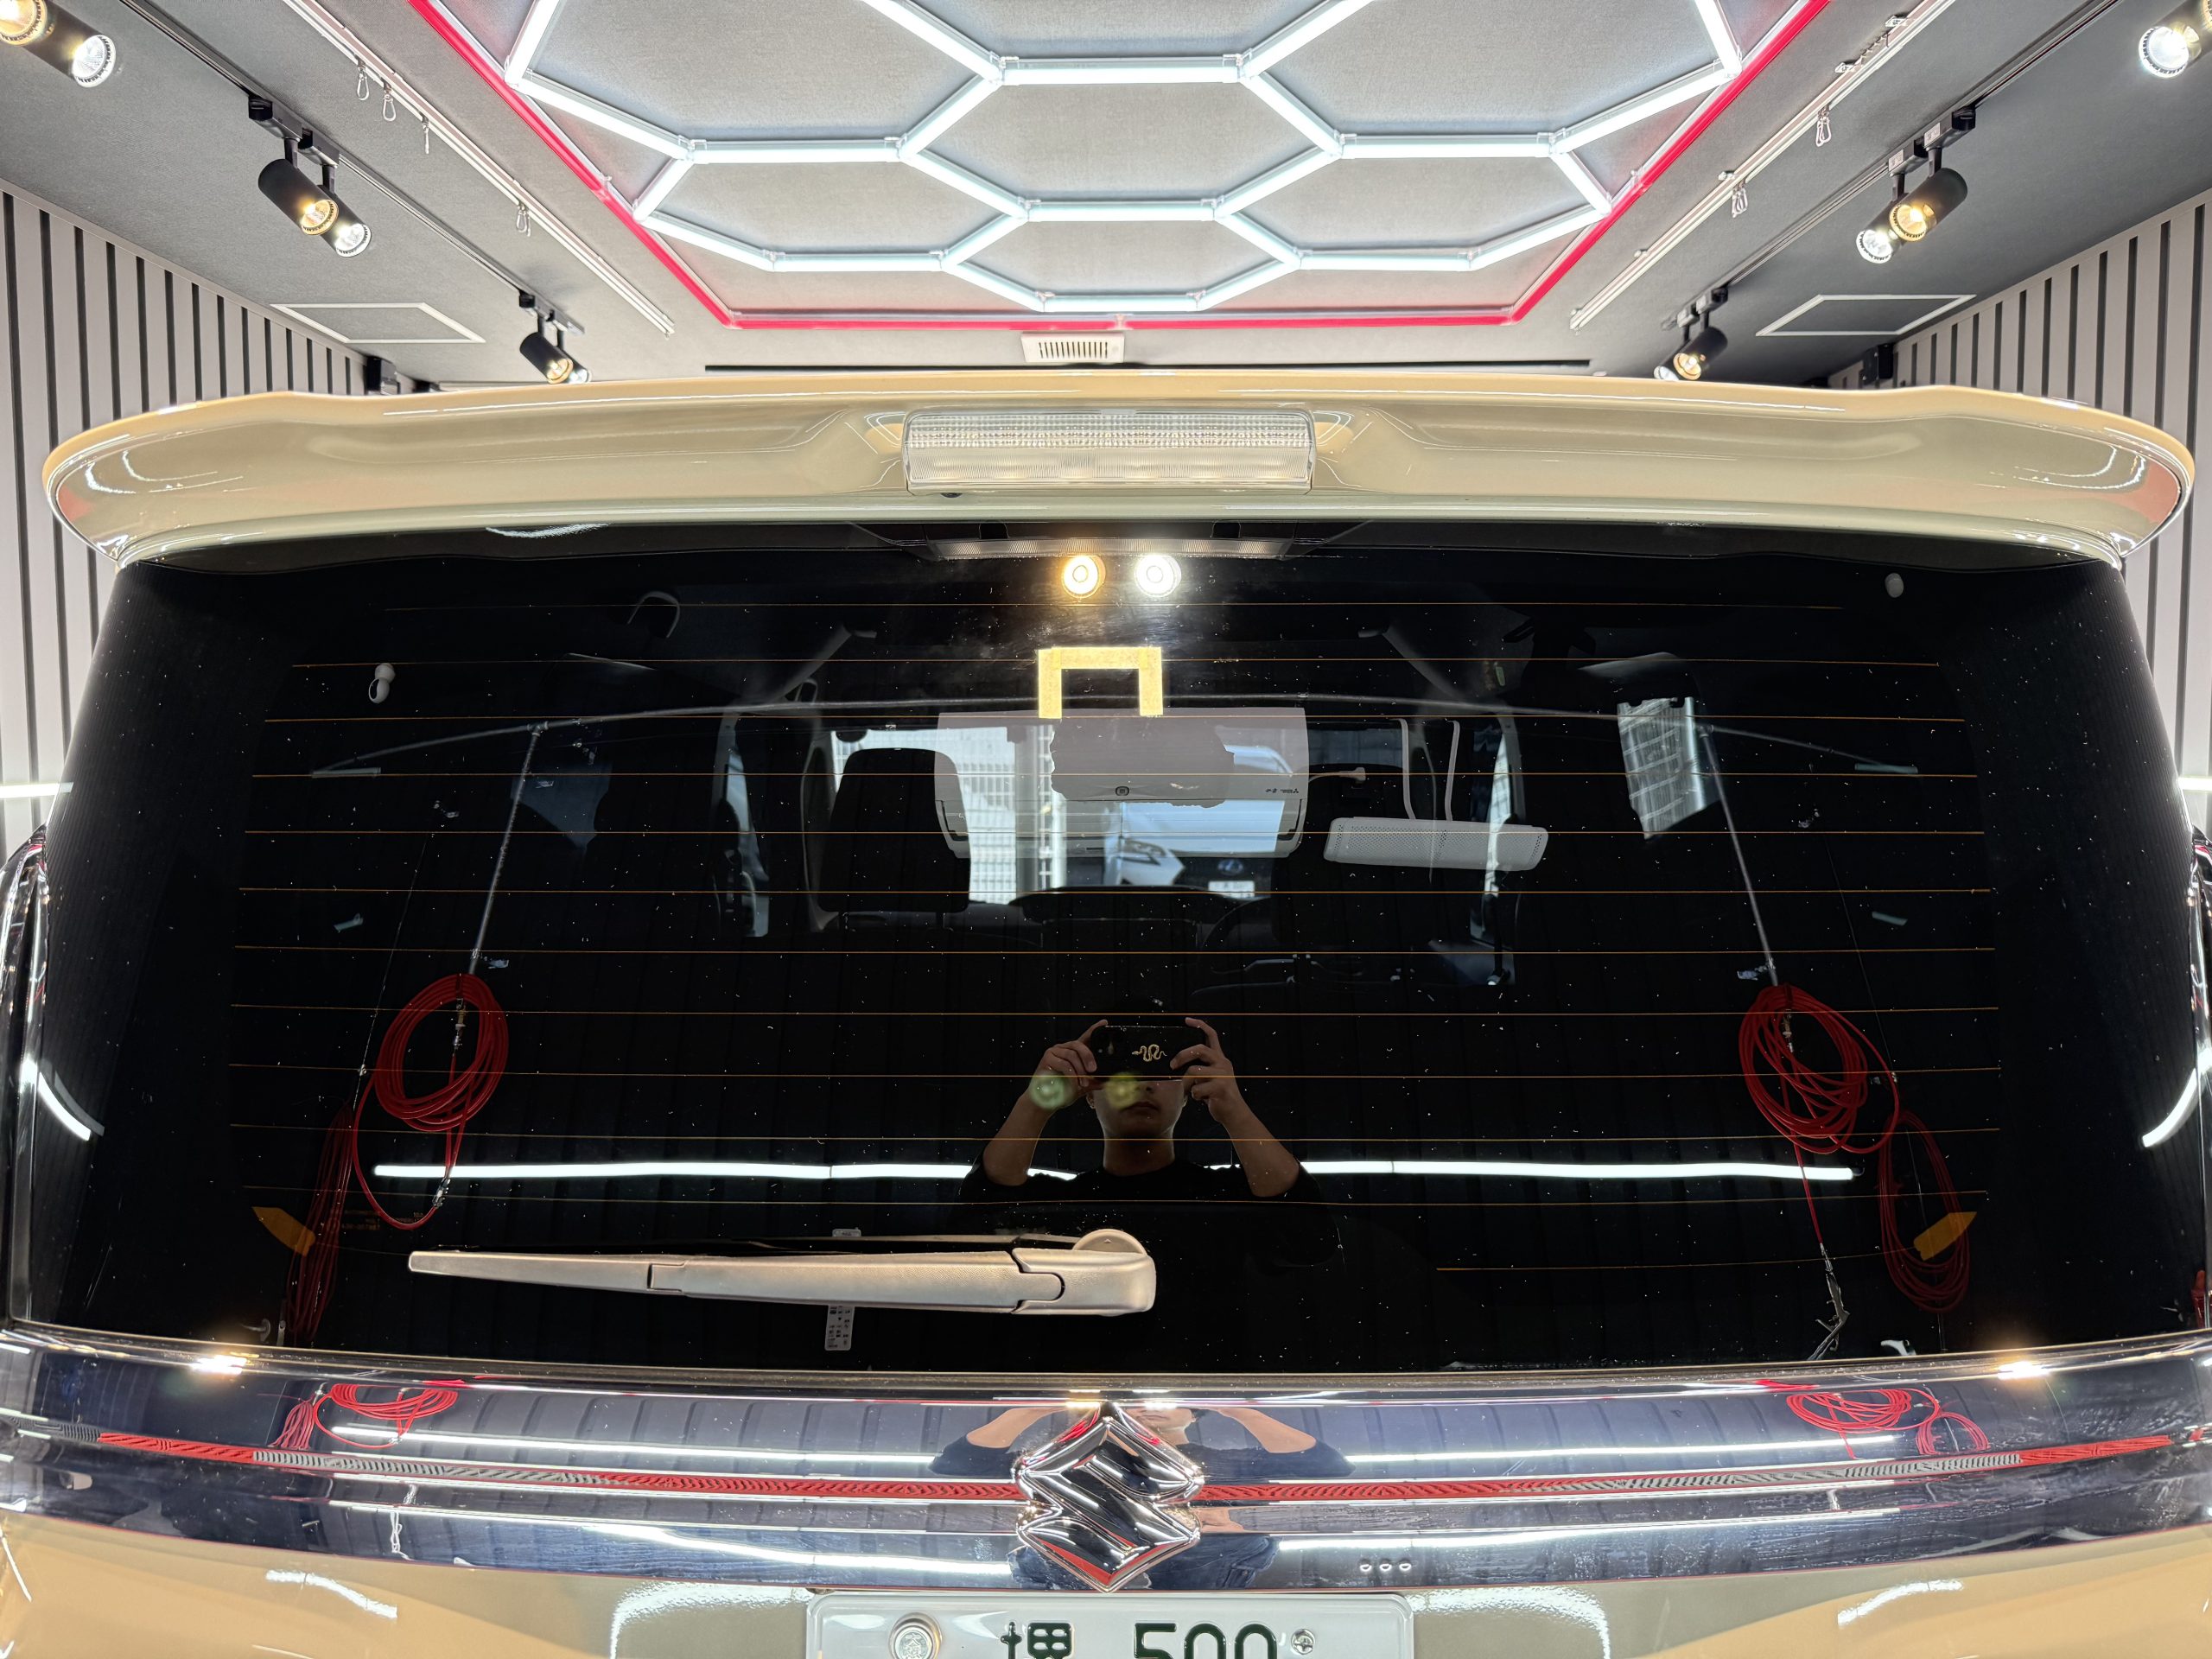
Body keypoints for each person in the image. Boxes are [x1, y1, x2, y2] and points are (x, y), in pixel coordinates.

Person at [961, 1016, 1337, 1364]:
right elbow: (974, 1228)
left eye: (1163, 1071)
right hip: (1079, 1405)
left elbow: (1310, 1240)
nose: (1143, 1084)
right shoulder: (1057, 1206)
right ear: (1089, 1091)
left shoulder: (1225, 1198)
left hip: (1203, 1405)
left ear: (1188, 1091)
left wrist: (1234, 1108)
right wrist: (1037, 1101)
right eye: (1122, 1071)